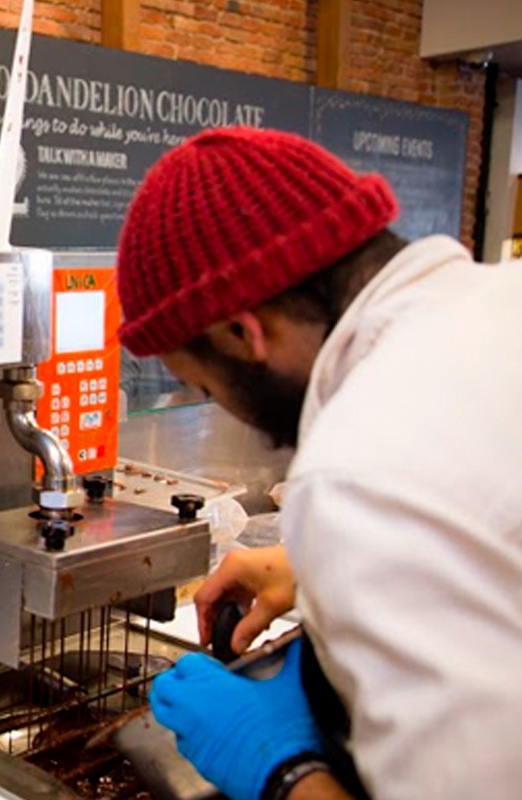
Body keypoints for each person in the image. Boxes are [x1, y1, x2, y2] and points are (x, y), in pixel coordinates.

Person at [118, 127, 522, 800]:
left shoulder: (359, 471)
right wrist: (317, 572)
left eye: (206, 387)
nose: (219, 408)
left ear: (242, 333)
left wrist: (278, 768)